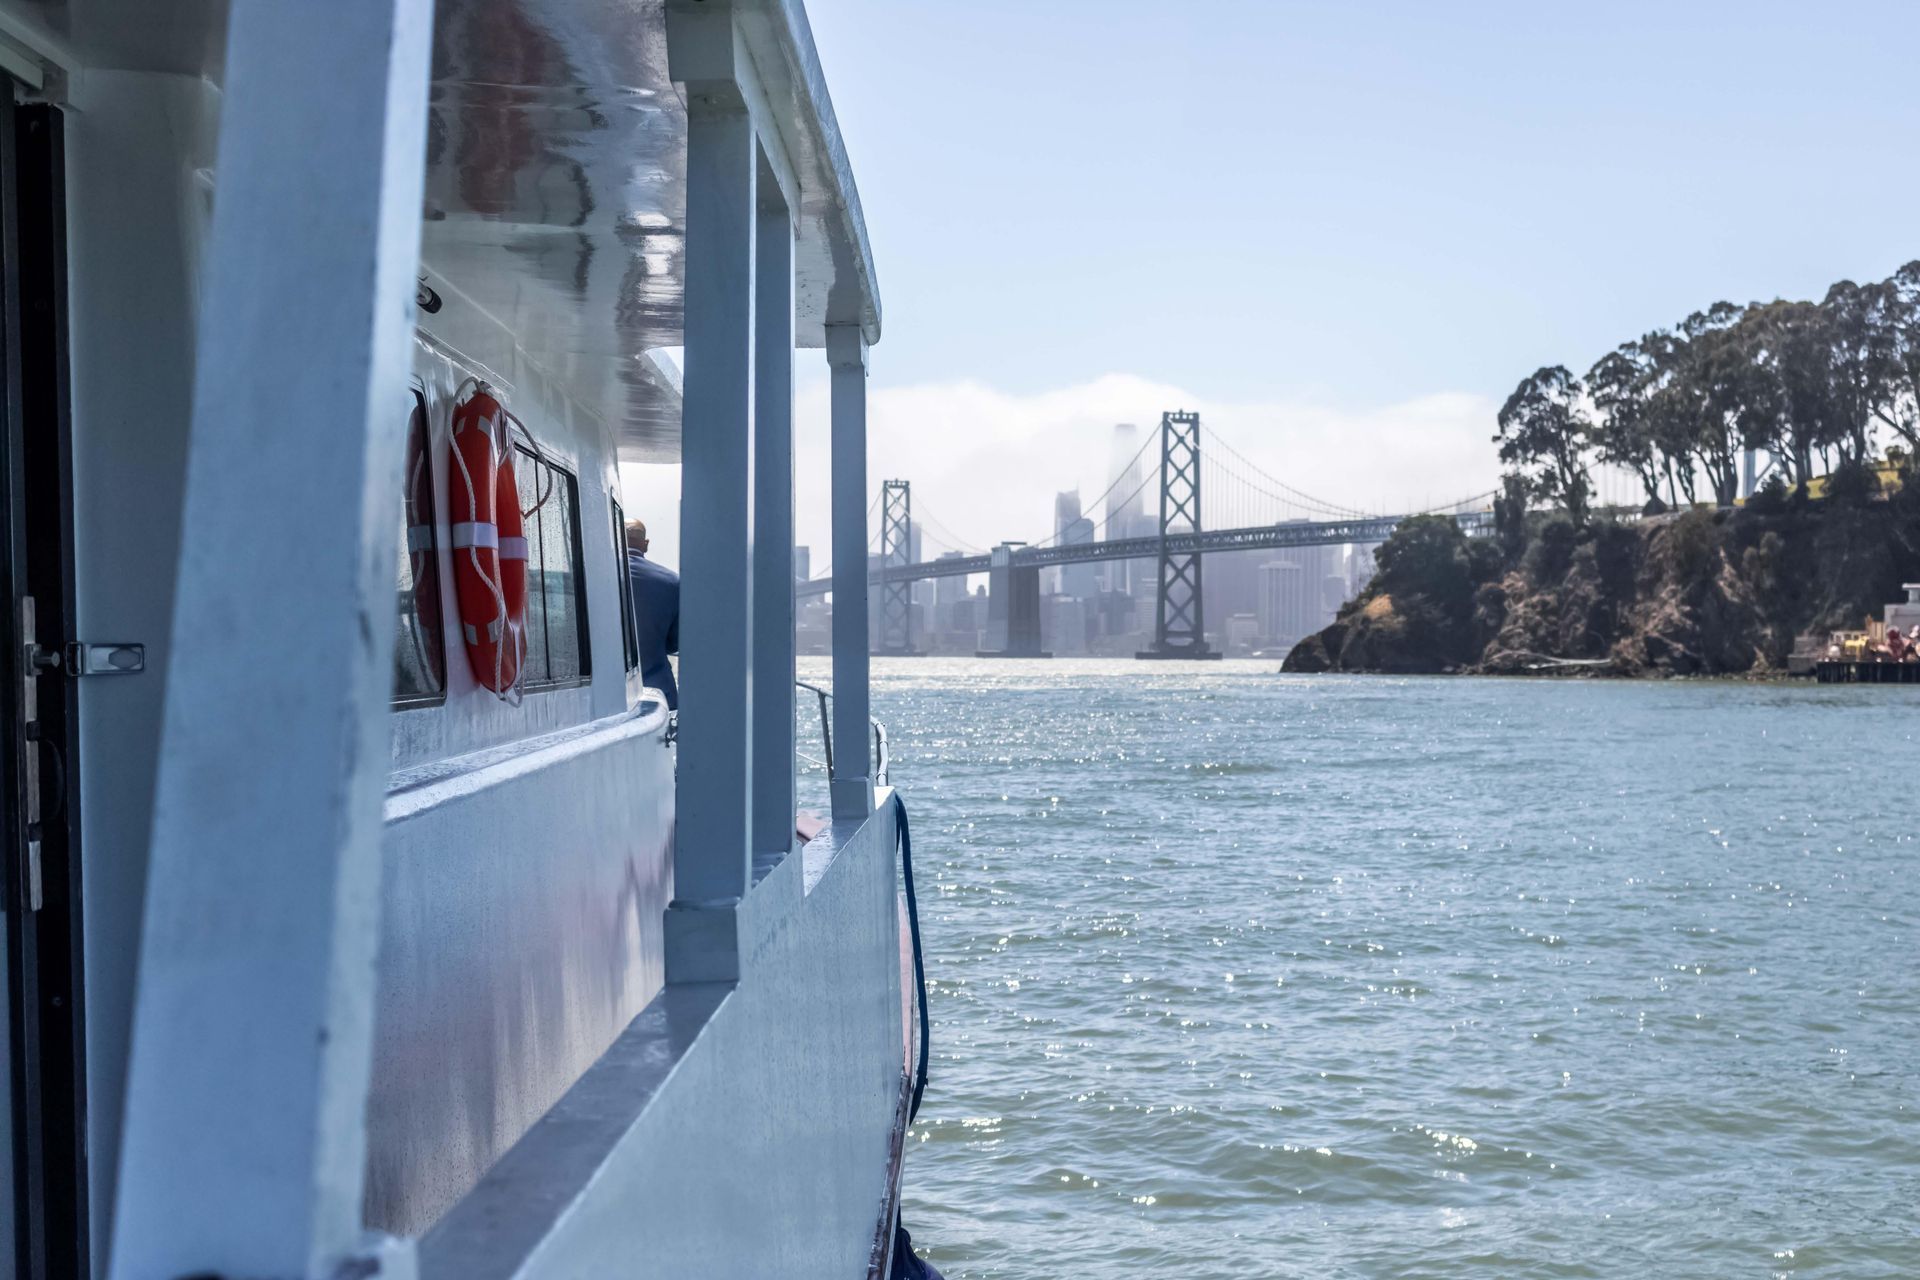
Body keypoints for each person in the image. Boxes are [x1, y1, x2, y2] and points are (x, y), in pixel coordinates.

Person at [625, 518, 680, 709]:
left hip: (607, 697)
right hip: (658, 695)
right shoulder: (672, 582)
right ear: (645, 545)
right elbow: (675, 642)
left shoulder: (592, 577)